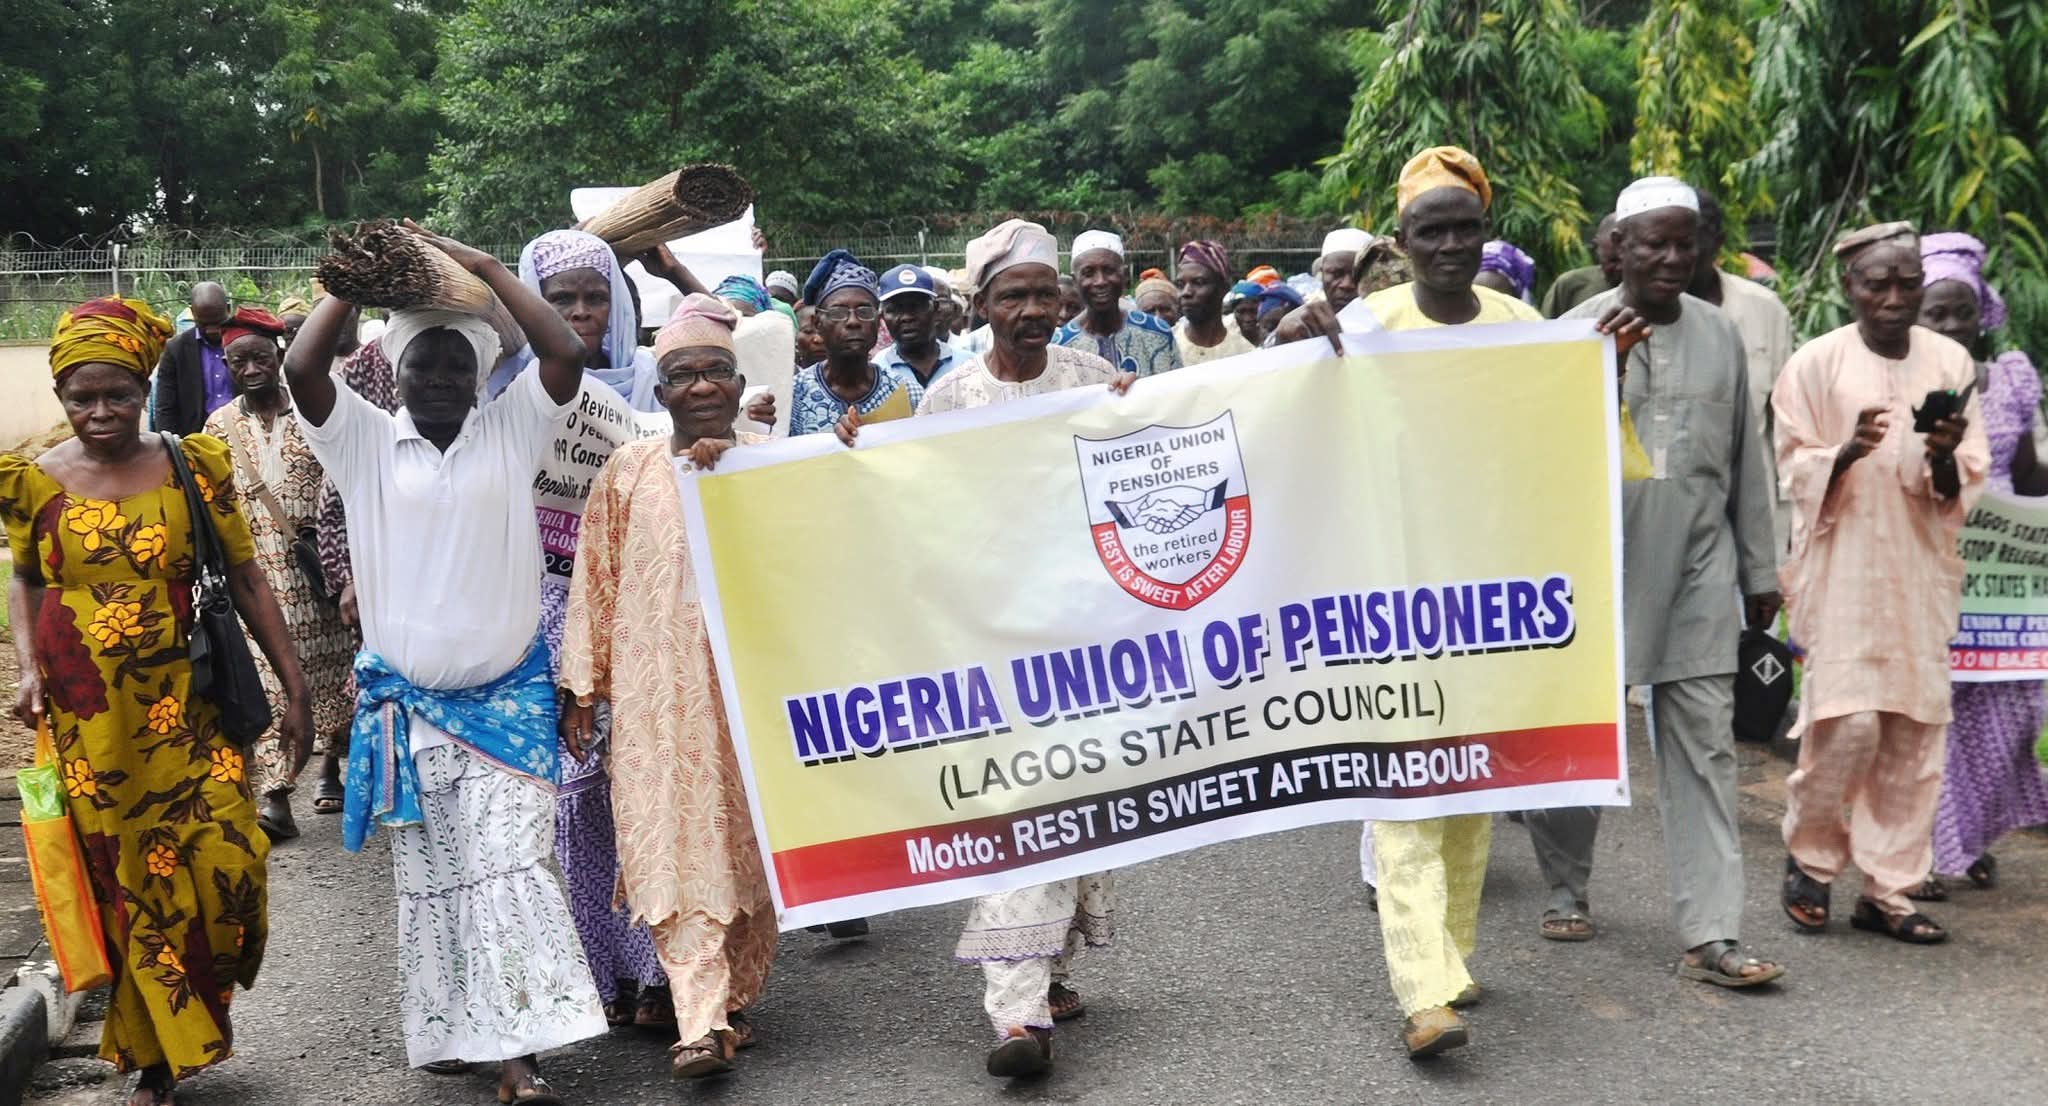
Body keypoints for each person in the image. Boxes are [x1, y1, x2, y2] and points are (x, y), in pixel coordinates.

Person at [286, 222, 607, 1101]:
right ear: (396, 368)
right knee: (441, 881)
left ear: (478, 375)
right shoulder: (360, 442)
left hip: (510, 701)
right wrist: (354, 282)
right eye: (422, 363)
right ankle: (469, 1029)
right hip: (412, 713)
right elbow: (304, 373)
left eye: (456, 364)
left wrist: (486, 269)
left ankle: (520, 1055)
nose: (438, 378)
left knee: (511, 871)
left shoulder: (511, 430)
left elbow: (564, 352)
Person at [836, 219, 1134, 1081]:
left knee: (1078, 818)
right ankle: (1019, 1016)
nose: (1032, 309)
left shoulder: (1097, 383)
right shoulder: (947, 399)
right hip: (988, 644)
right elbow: (913, 504)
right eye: (1015, 295)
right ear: (983, 305)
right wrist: (859, 455)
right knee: (1017, 821)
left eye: (1045, 293)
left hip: (1084, 641)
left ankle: (1050, 970)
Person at [6, 296, 310, 1106]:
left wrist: (296, 682)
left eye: (117, 395)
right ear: (63, 398)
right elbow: (27, 577)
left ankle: (189, 1018)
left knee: (227, 869)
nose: (100, 412)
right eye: (82, 397)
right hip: (89, 718)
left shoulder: (192, 463)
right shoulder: (34, 482)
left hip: (194, 701)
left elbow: (245, 574)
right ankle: (155, 1061)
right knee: (128, 883)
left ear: (142, 389)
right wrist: (30, 667)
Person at [1273, 145, 1533, 1059]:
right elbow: (1277, 417)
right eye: (1434, 230)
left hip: (1490, 600)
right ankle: (1422, 990)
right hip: (1384, 599)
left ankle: (1451, 963)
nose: (1452, 244)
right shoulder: (1361, 325)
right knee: (1405, 789)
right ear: (1402, 241)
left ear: (1485, 233)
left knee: (1470, 791)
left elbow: (1553, 449)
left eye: (1467, 227)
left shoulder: (1519, 325)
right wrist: (1284, 347)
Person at [1524, 177, 1786, 988]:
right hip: (1593, 567)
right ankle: (1567, 887)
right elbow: (1541, 456)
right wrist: (1606, 369)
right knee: (1577, 738)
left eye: (1686, 243)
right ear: (1619, 249)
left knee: (1706, 747)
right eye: (1653, 244)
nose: (1672, 258)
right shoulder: (1571, 332)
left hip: (1699, 570)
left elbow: (1747, 455)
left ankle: (1713, 933)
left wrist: (1760, 568)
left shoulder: (1719, 335)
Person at [560, 295, 778, 1079]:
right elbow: (598, 576)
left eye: (715, 372)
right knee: (669, 841)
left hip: (753, 698)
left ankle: (730, 999)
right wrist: (583, 685)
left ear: (738, 378)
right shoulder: (628, 471)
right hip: (657, 701)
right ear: (659, 393)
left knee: (748, 847)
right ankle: (698, 1019)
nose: (700, 387)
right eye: (681, 375)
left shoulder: (772, 462)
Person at [1774, 221, 1988, 946]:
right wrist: (1842, 453)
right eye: (1878, 283)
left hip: (1920, 569)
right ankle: (1811, 859)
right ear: (1849, 287)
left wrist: (1946, 455)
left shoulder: (1951, 359)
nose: (1894, 297)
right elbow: (1790, 465)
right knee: (1847, 722)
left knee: (1911, 729)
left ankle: (1890, 889)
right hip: (1841, 569)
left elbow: (1969, 480)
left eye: (1907, 283)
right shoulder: (1815, 363)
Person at [507, 228, 673, 1031]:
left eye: (592, 294)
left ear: (618, 300)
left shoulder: (651, 380)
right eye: (558, 298)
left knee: (642, 784)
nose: (578, 311)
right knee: (573, 797)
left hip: (637, 609)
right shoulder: (506, 386)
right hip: (538, 609)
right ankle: (593, 971)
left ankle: (658, 973)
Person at [1915, 232, 2048, 895]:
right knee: (1934, 710)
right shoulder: (1902, 385)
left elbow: (2028, 474)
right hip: (1930, 565)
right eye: (1934, 312)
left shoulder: (2012, 378)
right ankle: (1928, 848)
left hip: (2003, 580)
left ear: (1981, 314)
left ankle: (1969, 835)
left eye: (1958, 312)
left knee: (2012, 706)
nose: (1948, 325)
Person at [201, 307, 354, 847]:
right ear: (226, 365)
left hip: (319, 577)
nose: (250, 368)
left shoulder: (316, 412)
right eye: (237, 360)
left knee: (335, 678)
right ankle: (276, 795)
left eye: (260, 357)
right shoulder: (218, 426)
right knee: (268, 683)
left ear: (280, 354)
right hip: (255, 581)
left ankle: (333, 767)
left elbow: (345, 487)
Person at [1689, 189, 1798, 557]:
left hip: (1748, 519)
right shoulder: (1608, 318)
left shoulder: (1764, 311)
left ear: (1717, 240)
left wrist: (1786, 528)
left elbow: (1786, 427)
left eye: (1693, 234)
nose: (1680, 250)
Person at [788, 250, 922, 436]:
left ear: (878, 322)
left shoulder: (908, 393)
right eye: (838, 313)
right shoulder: (793, 395)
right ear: (818, 324)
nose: (853, 321)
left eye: (864, 312)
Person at [1054, 230, 1182, 378]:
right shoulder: (1061, 346)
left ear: (1124, 275)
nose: (1100, 281)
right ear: (1075, 281)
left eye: (1109, 270)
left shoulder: (1158, 333)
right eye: (1089, 273)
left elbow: (1178, 394)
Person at [151, 281, 237, 435]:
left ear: (228, 309)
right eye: (204, 324)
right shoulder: (176, 350)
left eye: (218, 323)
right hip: (195, 439)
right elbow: (165, 408)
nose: (212, 331)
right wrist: (171, 448)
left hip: (242, 434)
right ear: (192, 313)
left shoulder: (244, 342)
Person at [875, 264, 967, 390]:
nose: (906, 317)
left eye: (915, 307)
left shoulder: (968, 365)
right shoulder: (877, 372)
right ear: (882, 316)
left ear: (935, 309)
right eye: (894, 309)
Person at [1173, 241, 1257, 365]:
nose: (1186, 292)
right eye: (1180, 284)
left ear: (1223, 288)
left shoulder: (1246, 355)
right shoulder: (1166, 349)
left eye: (1199, 282)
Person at [1540, 214, 1621, 318]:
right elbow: (1545, 329)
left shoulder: (1645, 291)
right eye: (1613, 261)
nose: (1620, 267)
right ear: (1596, 247)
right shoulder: (1571, 285)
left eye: (1627, 258)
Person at [1316, 228, 1371, 312]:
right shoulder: (1305, 322)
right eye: (1336, 274)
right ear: (1322, 272)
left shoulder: (1392, 323)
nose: (1347, 285)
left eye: (1358, 275)